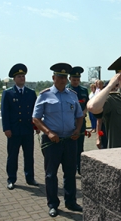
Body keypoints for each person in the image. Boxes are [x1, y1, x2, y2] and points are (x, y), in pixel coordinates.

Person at [32, 63, 83, 217]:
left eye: (65, 77)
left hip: (69, 140)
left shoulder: (72, 95)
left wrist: (77, 130)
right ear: (53, 78)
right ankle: (53, 204)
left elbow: (80, 116)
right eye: (60, 77)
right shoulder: (44, 95)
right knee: (51, 174)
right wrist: (48, 132)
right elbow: (35, 118)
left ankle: (71, 202)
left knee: (70, 172)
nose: (63, 80)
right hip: (52, 142)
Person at [1, 63, 39, 190]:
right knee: (12, 156)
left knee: (29, 155)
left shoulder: (31, 93)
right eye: (19, 76)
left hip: (27, 130)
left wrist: (37, 126)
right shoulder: (8, 93)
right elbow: (5, 112)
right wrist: (6, 128)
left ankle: (30, 178)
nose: (22, 78)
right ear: (14, 79)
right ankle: (11, 179)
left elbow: (35, 112)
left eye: (23, 76)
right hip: (14, 130)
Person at [67, 66, 90, 175]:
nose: (76, 82)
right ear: (70, 79)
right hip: (69, 122)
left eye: (77, 80)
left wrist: (84, 112)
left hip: (81, 122)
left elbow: (87, 105)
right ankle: (71, 167)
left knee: (80, 145)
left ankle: (80, 167)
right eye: (74, 79)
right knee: (70, 146)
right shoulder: (66, 90)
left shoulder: (84, 90)